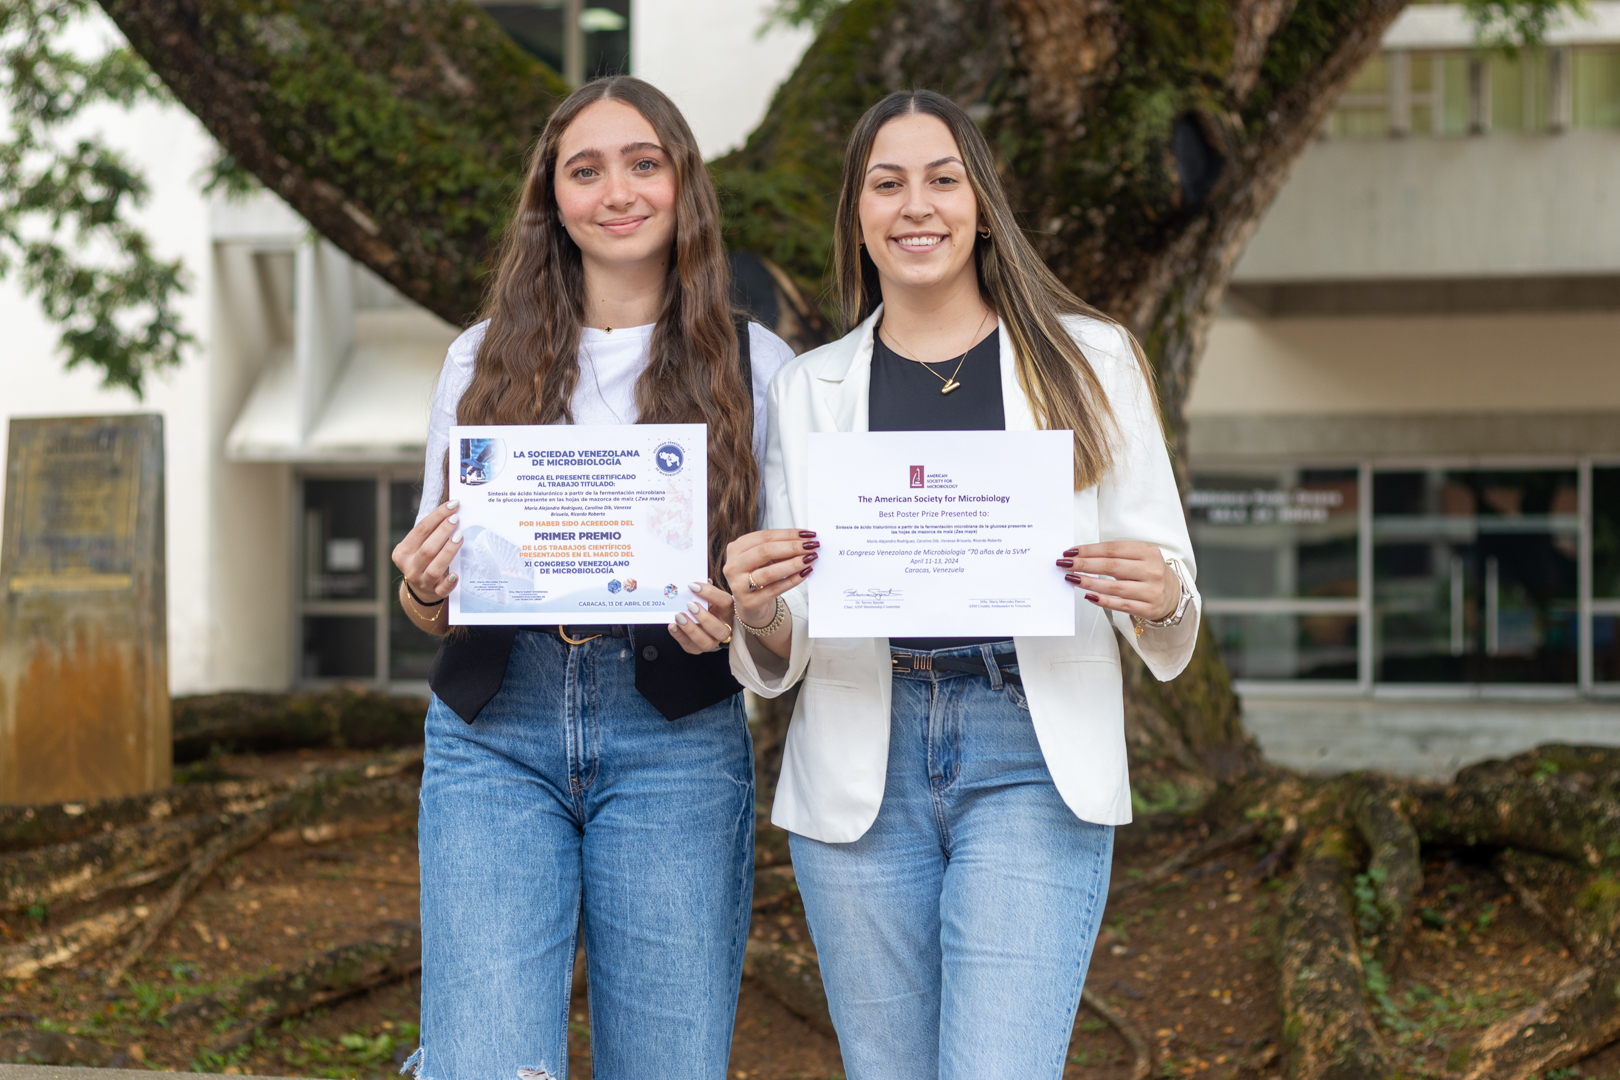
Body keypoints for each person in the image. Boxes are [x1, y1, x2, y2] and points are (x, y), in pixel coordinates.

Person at [722, 89, 1201, 1079]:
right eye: (887, 183)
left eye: (943, 180)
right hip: (864, 759)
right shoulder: (807, 388)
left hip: (1030, 749)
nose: (917, 207)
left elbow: (1172, 580)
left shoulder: (1091, 359)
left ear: (981, 201)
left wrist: (1159, 593)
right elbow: (790, 633)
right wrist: (760, 608)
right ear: (857, 213)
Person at [390, 76, 794, 1080]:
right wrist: (423, 583)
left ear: (681, 185)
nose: (617, 190)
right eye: (586, 169)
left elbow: (784, 614)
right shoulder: (479, 359)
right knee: (484, 1066)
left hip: (678, 733)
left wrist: (742, 623)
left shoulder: (762, 365)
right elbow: (429, 604)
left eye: (642, 163)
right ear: (554, 200)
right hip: (495, 726)